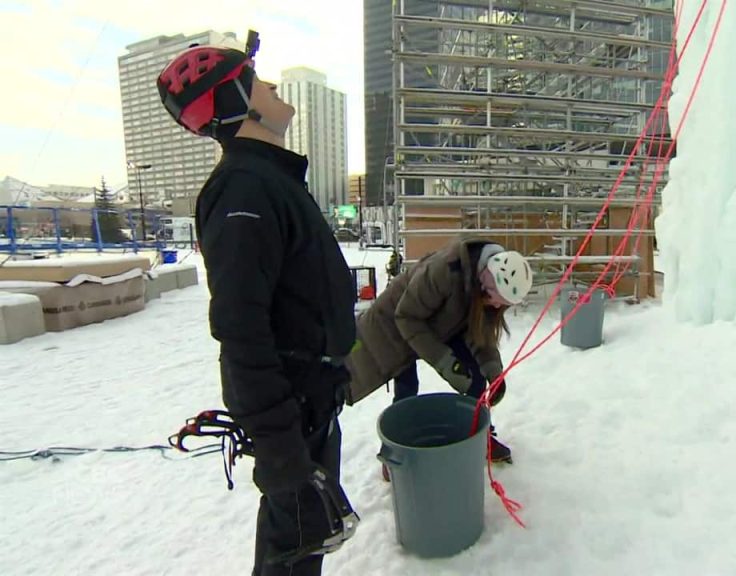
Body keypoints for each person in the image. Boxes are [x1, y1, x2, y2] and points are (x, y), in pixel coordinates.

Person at [157, 41, 359, 576]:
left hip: (308, 400)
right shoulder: (244, 186)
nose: (271, 87)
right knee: (291, 550)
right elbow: (241, 328)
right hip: (289, 408)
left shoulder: (270, 180)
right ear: (238, 99)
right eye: (258, 79)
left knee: (304, 545)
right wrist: (280, 450)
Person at [344, 237, 533, 470]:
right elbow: (406, 318)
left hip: (438, 323)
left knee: (474, 380)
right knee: (406, 390)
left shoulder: (481, 286)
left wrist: (494, 371)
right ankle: (396, 455)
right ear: (484, 283)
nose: (496, 307)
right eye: (497, 300)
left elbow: (480, 332)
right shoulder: (444, 270)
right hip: (398, 324)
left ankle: (478, 437)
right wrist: (446, 363)